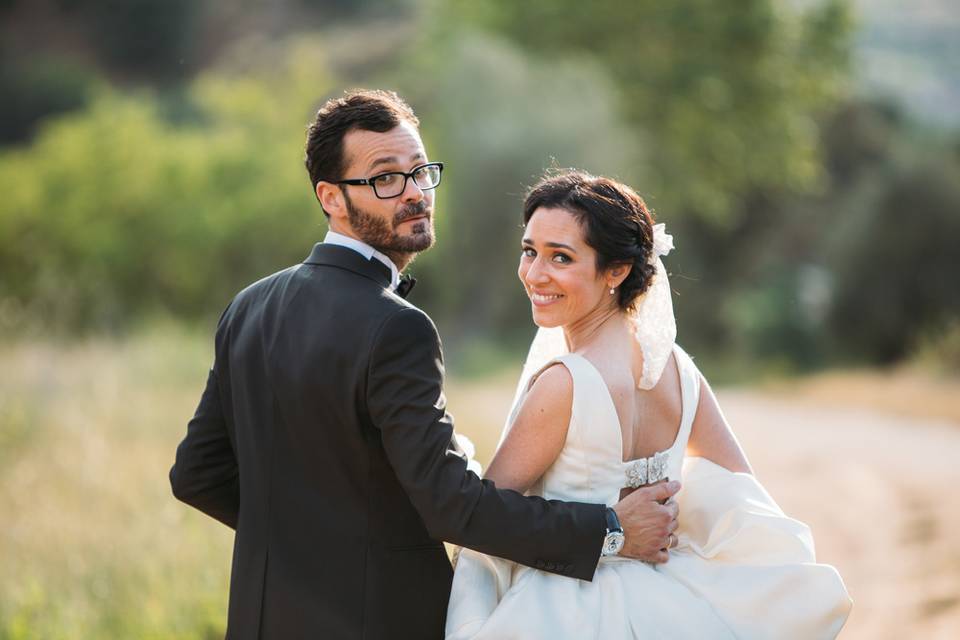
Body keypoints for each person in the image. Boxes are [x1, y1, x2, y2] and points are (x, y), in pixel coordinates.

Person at [169, 91, 684, 640]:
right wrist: (610, 532)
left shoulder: (249, 306)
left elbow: (197, 476)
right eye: (385, 178)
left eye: (420, 171)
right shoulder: (397, 326)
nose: (415, 193)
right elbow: (451, 507)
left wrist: (301, 540)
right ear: (331, 197)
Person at [445, 170, 853, 639]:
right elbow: (742, 494)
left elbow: (485, 520)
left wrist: (612, 534)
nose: (536, 274)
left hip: (565, 611)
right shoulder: (678, 369)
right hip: (671, 604)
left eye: (561, 257)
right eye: (529, 251)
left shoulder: (565, 383)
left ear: (616, 271)